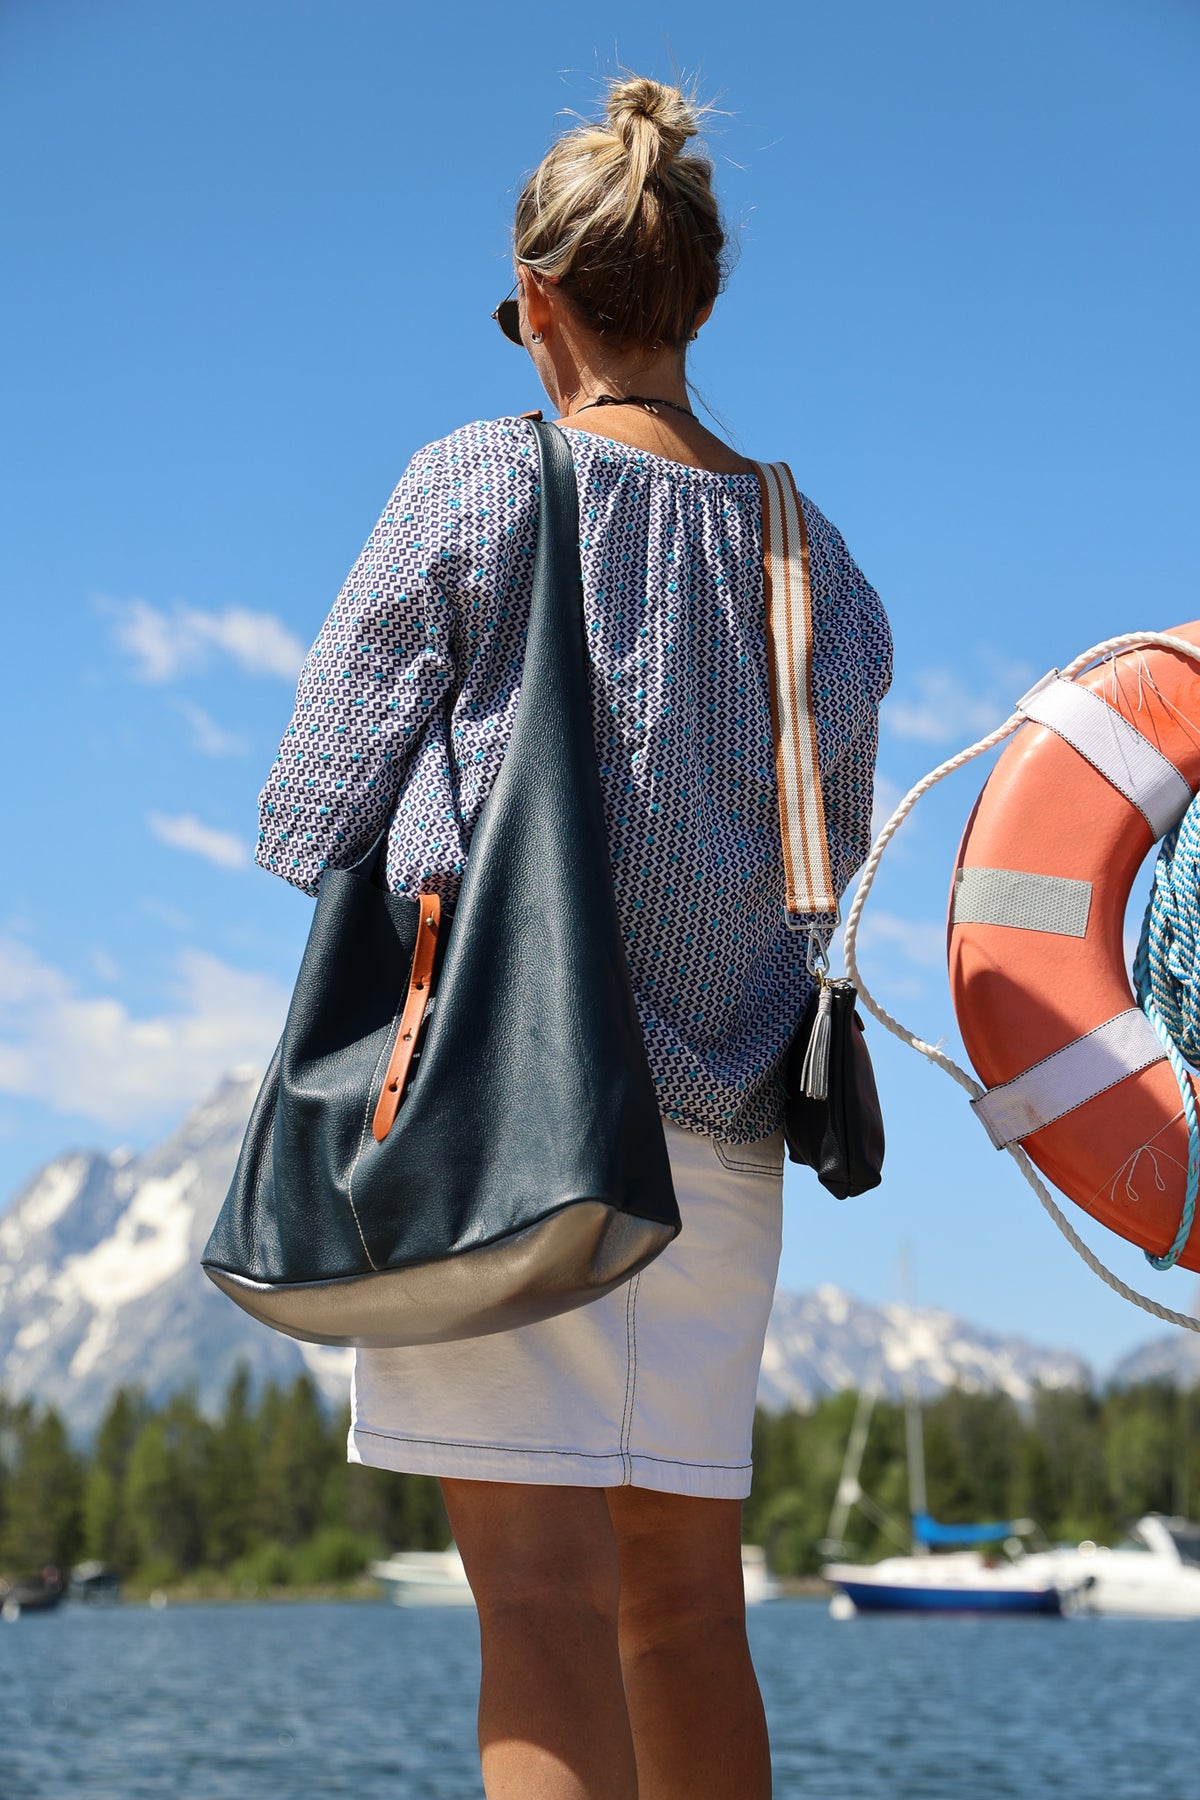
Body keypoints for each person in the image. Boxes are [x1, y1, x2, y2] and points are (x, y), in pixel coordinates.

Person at [256, 73, 892, 1800]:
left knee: (534, 1612)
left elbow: (305, 816)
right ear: (698, 298)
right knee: (685, 1617)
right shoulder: (811, 556)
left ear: (540, 305)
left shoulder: (478, 482)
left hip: (505, 1123)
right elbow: (809, 853)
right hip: (726, 1151)